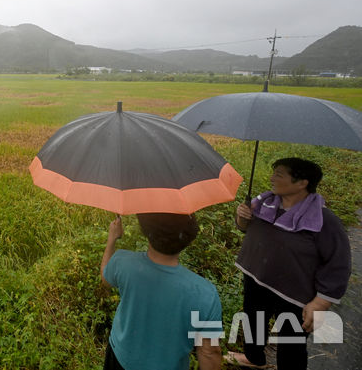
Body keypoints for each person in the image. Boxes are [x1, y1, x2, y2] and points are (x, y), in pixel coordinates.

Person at [226, 157, 351, 369]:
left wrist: (320, 302)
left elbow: (338, 263)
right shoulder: (263, 202)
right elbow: (247, 229)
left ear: (302, 182)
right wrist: (242, 217)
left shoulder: (323, 219)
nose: (272, 178)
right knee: (253, 322)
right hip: (257, 278)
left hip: (293, 294)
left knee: (290, 343)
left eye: (279, 174)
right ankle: (254, 358)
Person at [100, 213, 222, 370]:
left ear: (146, 229)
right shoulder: (205, 294)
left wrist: (112, 238)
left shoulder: (123, 262)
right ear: (188, 237)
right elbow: (210, 352)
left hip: (118, 359)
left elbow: (105, 278)